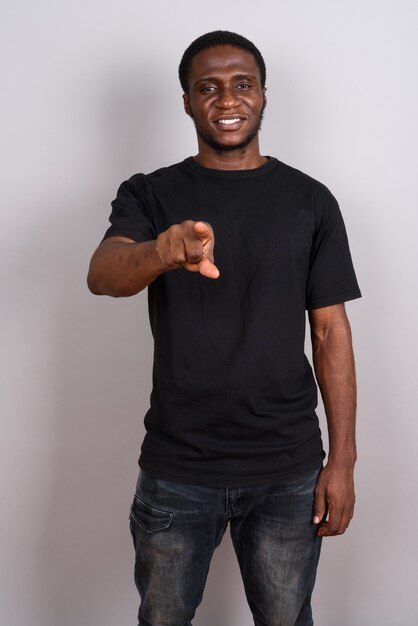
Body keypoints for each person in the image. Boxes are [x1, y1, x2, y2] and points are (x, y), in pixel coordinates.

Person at [87, 30, 361, 626]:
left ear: (264, 95)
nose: (227, 99)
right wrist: (162, 250)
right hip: (178, 466)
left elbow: (330, 333)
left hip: (288, 467)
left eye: (242, 84)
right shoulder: (150, 194)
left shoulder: (310, 201)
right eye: (207, 87)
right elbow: (103, 275)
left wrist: (342, 460)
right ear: (186, 101)